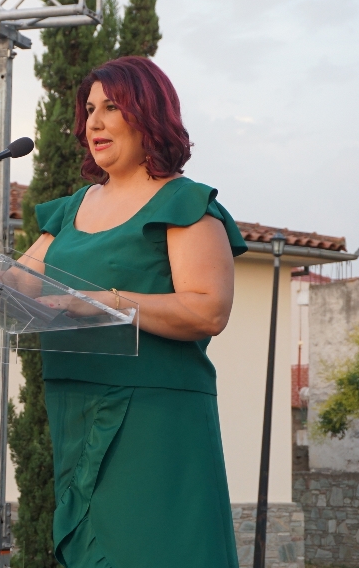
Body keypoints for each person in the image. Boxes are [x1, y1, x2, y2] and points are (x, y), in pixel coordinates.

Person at [20, 56, 246, 567]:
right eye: (89, 110)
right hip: (75, 407)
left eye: (111, 107)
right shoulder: (72, 209)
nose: (93, 123)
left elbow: (208, 310)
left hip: (153, 420)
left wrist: (108, 302)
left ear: (148, 114)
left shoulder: (183, 203)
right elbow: (17, 282)